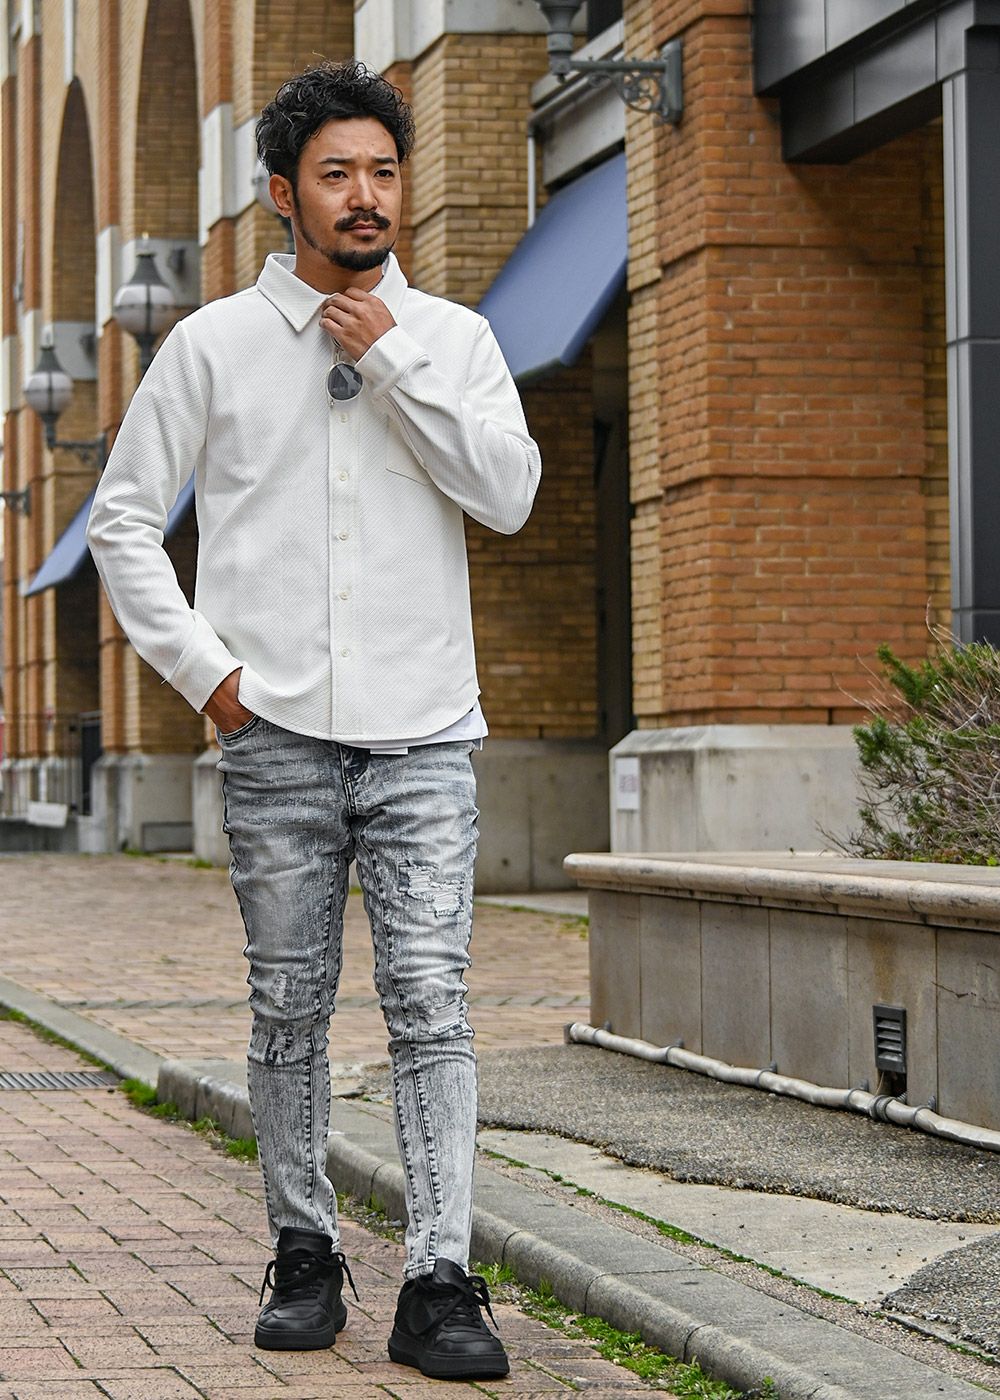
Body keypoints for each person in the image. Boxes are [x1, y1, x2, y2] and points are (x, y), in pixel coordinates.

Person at [87, 60, 540, 1382]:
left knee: (432, 1006)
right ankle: (303, 1251)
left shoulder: (453, 339)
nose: (366, 196)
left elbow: (508, 495)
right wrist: (208, 677)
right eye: (338, 174)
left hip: (424, 736)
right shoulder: (213, 346)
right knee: (288, 1008)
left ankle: (440, 1280)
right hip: (273, 734)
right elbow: (121, 520)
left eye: (384, 172)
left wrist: (390, 359)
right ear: (285, 193)